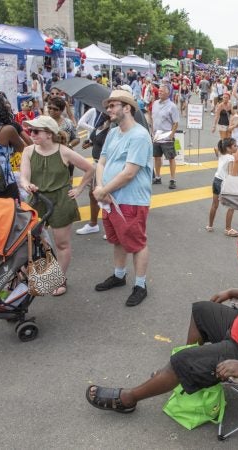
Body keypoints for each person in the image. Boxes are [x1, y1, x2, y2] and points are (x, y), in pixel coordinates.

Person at [85, 236, 238, 413]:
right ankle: (185, 371)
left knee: (180, 362)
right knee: (201, 309)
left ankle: (128, 399)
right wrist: (235, 291)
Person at [19, 116, 94, 296]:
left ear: (49, 134)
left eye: (36, 131)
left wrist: (79, 189)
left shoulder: (64, 151)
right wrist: (27, 185)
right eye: (31, 131)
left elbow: (90, 169)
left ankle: (59, 279)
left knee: (62, 244)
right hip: (37, 200)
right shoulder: (28, 151)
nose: (32, 134)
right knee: (27, 242)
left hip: (61, 200)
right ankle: (30, 275)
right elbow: (23, 177)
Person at [92, 90, 154, 307]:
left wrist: (103, 190)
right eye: (108, 106)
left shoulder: (139, 136)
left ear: (127, 108)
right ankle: (119, 276)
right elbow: (101, 162)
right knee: (117, 239)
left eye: (113, 105)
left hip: (131, 199)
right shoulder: (112, 133)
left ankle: (140, 284)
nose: (108, 110)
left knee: (136, 243)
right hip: (109, 198)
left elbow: (130, 172)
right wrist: (101, 188)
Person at [76, 113, 111, 236]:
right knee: (92, 194)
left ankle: (111, 226)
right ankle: (93, 223)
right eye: (107, 108)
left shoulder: (114, 128)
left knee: (106, 196)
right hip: (96, 165)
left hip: (106, 166)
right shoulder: (100, 123)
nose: (108, 110)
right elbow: (97, 140)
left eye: (111, 107)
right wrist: (90, 144)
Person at [149, 84, 180, 189]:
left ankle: (172, 179)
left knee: (171, 158)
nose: (160, 92)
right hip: (157, 135)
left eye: (162, 91)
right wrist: (152, 131)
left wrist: (171, 134)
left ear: (168, 93)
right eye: (159, 90)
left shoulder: (172, 106)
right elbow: (152, 118)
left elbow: (176, 123)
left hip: (167, 135)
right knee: (157, 157)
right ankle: (157, 177)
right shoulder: (155, 103)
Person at [207, 137, 237, 236]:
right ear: (228, 148)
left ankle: (210, 225)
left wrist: (219, 148)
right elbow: (230, 173)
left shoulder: (221, 155)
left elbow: (216, 150)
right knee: (231, 206)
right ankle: (228, 229)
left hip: (216, 180)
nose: (236, 148)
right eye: (234, 146)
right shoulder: (231, 157)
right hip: (224, 183)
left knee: (214, 205)